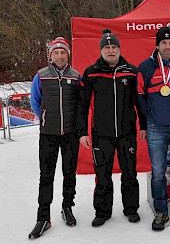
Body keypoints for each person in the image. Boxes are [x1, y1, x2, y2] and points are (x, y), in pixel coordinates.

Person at [77, 29, 146, 227]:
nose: (111, 50)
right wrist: (82, 132)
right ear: (101, 50)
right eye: (107, 47)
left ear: (119, 49)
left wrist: (143, 125)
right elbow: (82, 105)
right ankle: (102, 211)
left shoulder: (131, 71)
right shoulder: (91, 73)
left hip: (127, 133)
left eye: (114, 47)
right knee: (102, 175)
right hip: (101, 134)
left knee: (130, 173)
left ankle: (131, 208)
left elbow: (139, 102)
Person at [137, 26, 170, 231]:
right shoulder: (145, 68)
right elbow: (140, 98)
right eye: (164, 43)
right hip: (156, 127)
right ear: (157, 45)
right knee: (158, 171)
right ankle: (160, 211)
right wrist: (147, 120)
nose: (168, 46)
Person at [29, 37, 80, 239]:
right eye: (56, 52)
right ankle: (43, 217)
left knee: (70, 173)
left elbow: (79, 104)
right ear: (51, 55)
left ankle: (67, 207)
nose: (59, 56)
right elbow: (35, 101)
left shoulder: (76, 76)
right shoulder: (41, 76)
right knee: (46, 176)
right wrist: (44, 118)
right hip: (48, 134)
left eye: (63, 52)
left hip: (70, 134)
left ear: (68, 54)